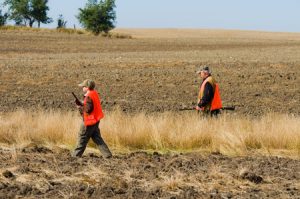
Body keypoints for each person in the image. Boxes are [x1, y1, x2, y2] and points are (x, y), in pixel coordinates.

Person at [73, 79, 112, 158]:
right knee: (97, 138)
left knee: (82, 138)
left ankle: (75, 156)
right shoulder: (94, 93)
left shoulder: (88, 96)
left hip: (89, 121)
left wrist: (79, 107)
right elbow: (90, 107)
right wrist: (81, 104)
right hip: (95, 120)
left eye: (83, 86)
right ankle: (107, 155)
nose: (82, 88)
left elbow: (87, 110)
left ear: (87, 87)